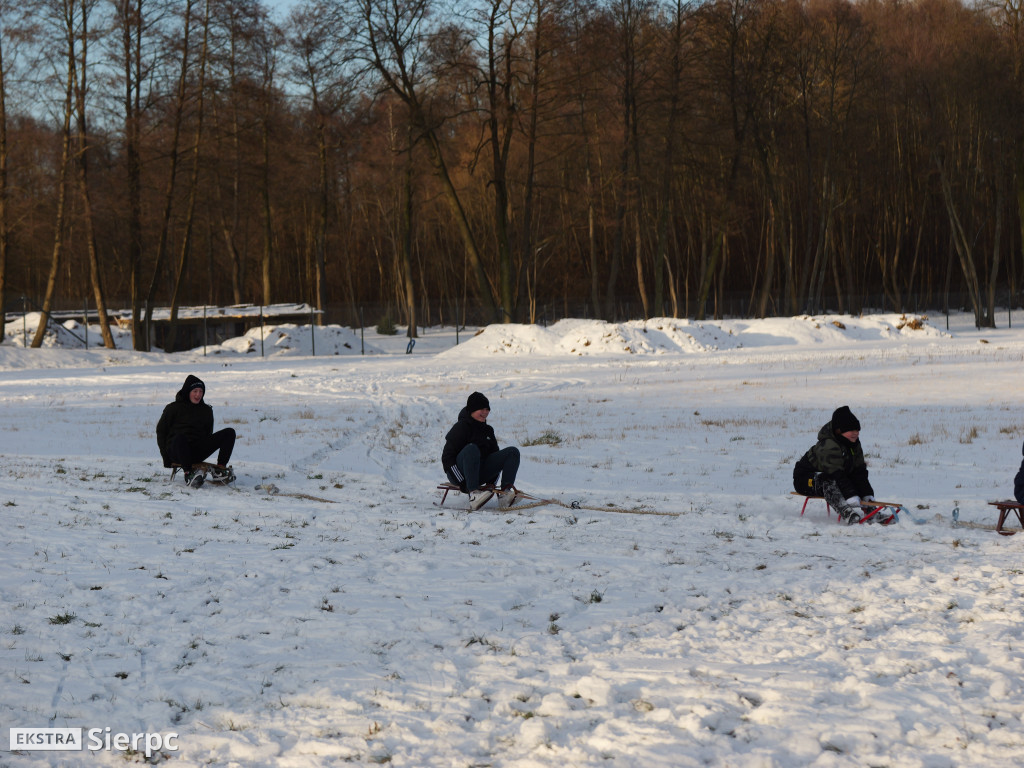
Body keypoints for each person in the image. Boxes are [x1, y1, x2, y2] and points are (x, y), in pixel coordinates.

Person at [793, 405, 875, 524]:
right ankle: (846, 511)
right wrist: (850, 495)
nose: (855, 433)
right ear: (839, 431)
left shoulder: (853, 443)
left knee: (853, 477)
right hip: (805, 479)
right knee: (828, 481)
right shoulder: (828, 445)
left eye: (857, 430)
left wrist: (867, 494)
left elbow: (859, 471)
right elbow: (835, 473)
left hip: (832, 475)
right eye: (851, 430)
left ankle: (871, 512)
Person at [442, 391, 520, 510]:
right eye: (481, 409)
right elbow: (447, 459)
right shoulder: (461, 427)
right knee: (472, 449)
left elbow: (495, 458)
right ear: (472, 410)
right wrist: (464, 484)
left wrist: (491, 483)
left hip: (479, 472)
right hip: (459, 474)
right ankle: (474, 495)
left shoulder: (488, 430)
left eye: (487, 409)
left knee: (512, 452)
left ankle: (504, 495)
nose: (485, 412)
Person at [156, 375, 235, 488]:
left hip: (196, 450)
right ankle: (188, 474)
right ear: (188, 391)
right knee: (180, 437)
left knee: (229, 432)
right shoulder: (173, 408)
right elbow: (161, 432)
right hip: (177, 450)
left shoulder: (206, 410)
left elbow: (208, 433)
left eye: (201, 391)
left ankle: (220, 471)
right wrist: (166, 458)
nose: (198, 395)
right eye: (195, 391)